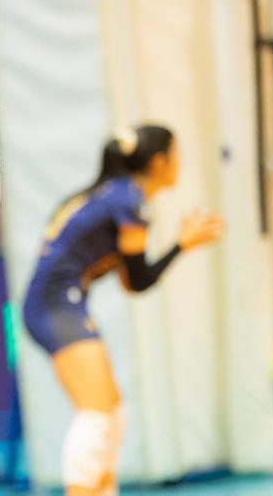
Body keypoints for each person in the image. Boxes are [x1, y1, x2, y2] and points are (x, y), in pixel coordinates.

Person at [22, 125, 224, 496]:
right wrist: (181, 244)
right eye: (176, 155)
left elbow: (131, 283)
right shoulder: (128, 201)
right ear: (159, 162)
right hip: (54, 306)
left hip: (62, 303)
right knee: (98, 412)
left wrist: (180, 245)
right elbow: (141, 279)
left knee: (112, 412)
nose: (179, 163)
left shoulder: (115, 196)